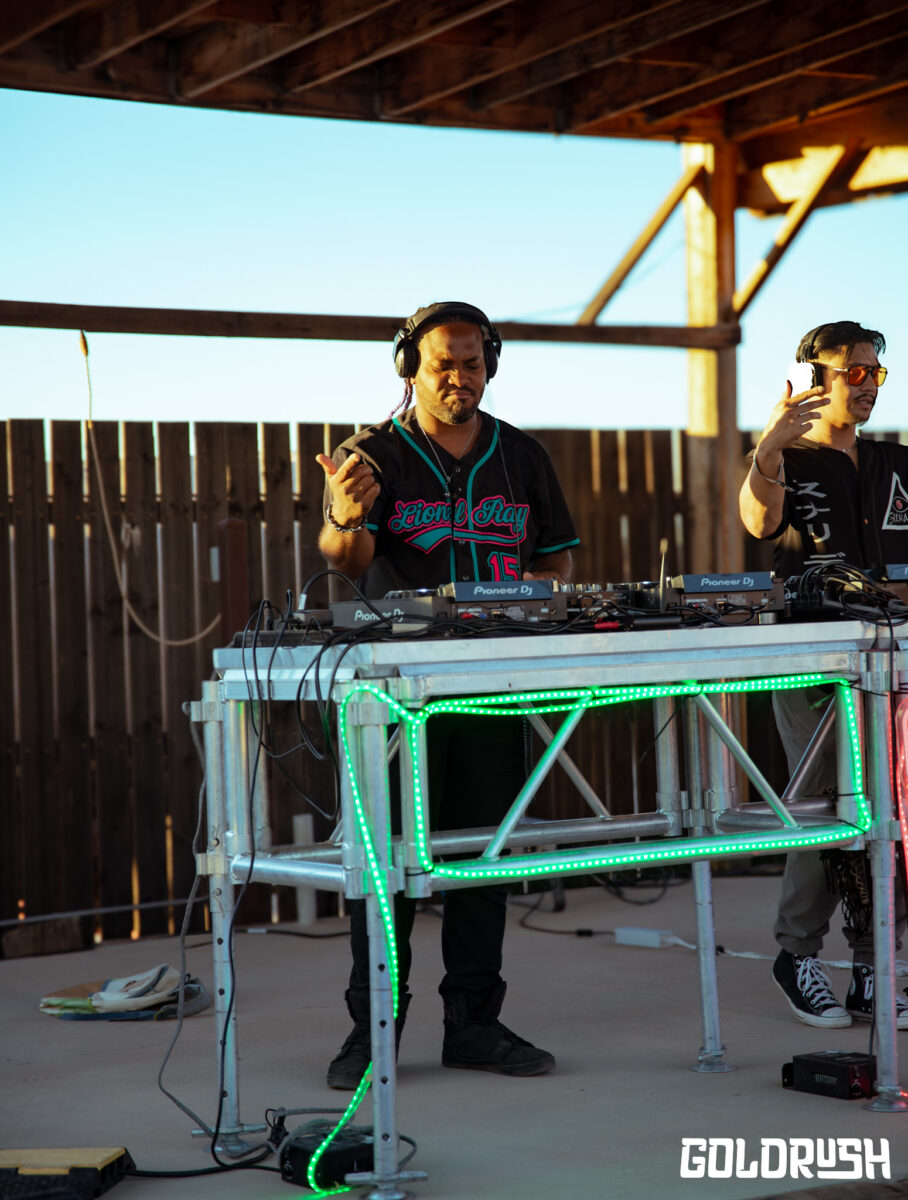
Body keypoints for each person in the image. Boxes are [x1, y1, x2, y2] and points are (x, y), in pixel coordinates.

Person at [315, 300, 579, 1087]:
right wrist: (344, 516)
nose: (459, 376)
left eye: (472, 362)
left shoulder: (522, 455)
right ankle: (373, 1031)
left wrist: (534, 592)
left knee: (480, 858)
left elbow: (558, 560)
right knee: (385, 862)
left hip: (492, 683)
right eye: (443, 364)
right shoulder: (372, 454)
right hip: (395, 691)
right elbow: (345, 559)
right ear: (410, 368)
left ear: (489, 363)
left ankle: (474, 1025)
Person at [739, 319, 908, 1030]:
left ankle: (874, 963)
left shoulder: (894, 462)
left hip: (893, 656)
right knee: (827, 802)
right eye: (854, 372)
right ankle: (797, 954)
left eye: (876, 373)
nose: (868, 386)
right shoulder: (786, 458)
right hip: (815, 656)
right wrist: (767, 449)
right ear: (815, 378)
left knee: (891, 805)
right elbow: (758, 522)